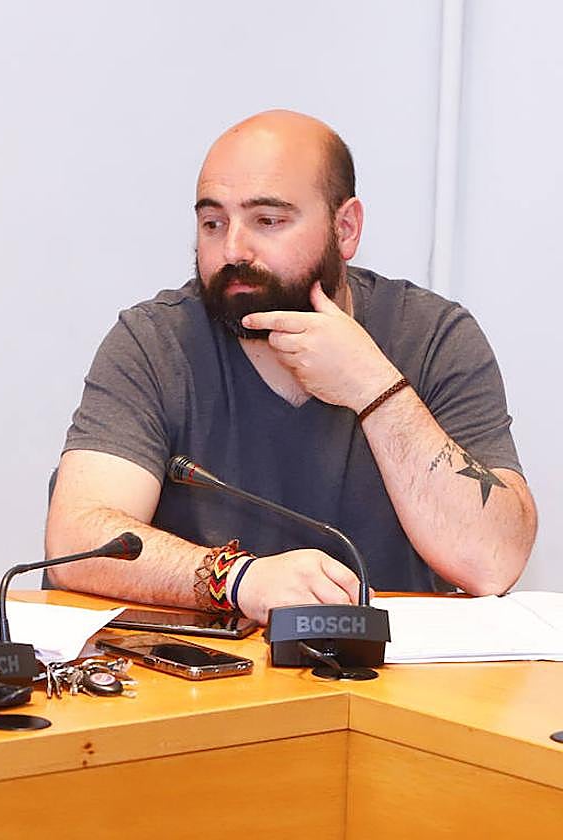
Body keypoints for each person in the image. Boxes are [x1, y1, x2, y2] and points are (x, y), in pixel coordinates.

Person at [45, 110, 537, 623]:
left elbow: (493, 562)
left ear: (345, 229)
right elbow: (78, 540)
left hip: (381, 669)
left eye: (267, 221)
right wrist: (236, 579)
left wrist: (375, 390)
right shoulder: (155, 341)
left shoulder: (434, 337)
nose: (233, 249)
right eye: (213, 223)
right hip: (207, 668)